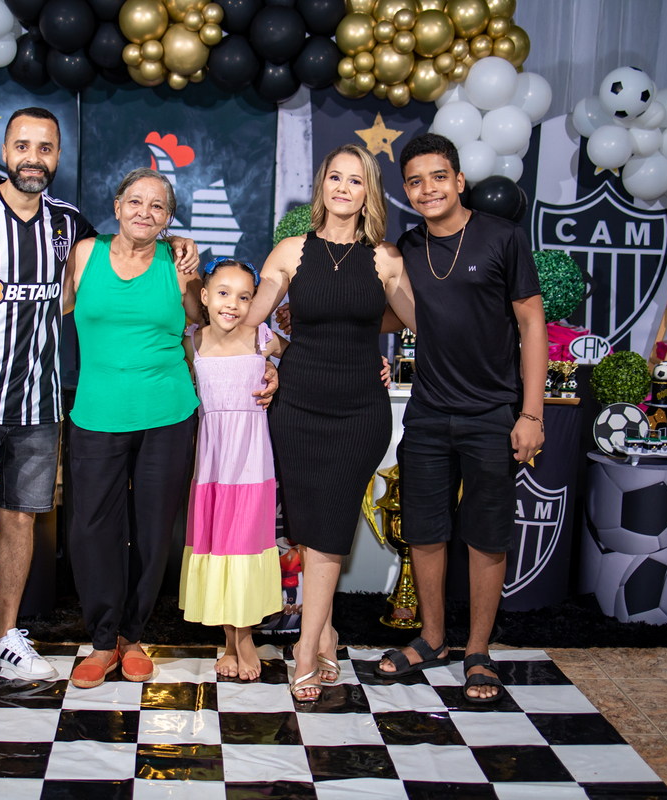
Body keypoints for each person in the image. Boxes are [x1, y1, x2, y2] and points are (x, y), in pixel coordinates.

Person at [0, 108, 198, 706]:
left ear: (58, 156)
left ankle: (6, 636)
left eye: (45, 147)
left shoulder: (69, 226)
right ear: (6, 150)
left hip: (40, 406)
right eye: (23, 145)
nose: (33, 157)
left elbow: (146, 261)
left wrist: (179, 245)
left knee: (22, 522)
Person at [62, 167, 278, 689]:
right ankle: (102, 641)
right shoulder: (85, 254)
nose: (145, 212)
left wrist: (271, 363)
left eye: (157, 206)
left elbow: (216, 329)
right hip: (96, 414)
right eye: (135, 202)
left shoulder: (179, 266)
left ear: (169, 219)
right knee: (91, 529)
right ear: (117, 206)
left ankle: (133, 636)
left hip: (168, 415)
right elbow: (48, 312)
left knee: (154, 530)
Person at [373, 132, 547, 705]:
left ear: (460, 180)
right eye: (415, 181)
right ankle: (432, 638)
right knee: (425, 530)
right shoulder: (408, 247)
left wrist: (531, 412)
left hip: (493, 412)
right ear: (406, 190)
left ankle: (477, 650)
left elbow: (532, 324)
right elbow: (394, 316)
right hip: (428, 412)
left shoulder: (502, 237)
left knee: (487, 535)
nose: (428, 189)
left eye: (438, 177)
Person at [245, 144, 417, 701]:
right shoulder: (291, 251)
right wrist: (263, 351)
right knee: (306, 526)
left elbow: (422, 319)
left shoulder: (386, 259)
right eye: (335, 177)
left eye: (356, 180)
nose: (343, 188)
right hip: (296, 409)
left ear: (369, 192)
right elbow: (252, 318)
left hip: (359, 414)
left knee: (329, 532)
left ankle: (305, 648)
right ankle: (327, 633)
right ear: (322, 185)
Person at [179, 258, 288, 681]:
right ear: (205, 296)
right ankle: (231, 641)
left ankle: (242, 639)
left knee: (244, 547)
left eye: (245, 297)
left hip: (252, 464)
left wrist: (275, 371)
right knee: (220, 547)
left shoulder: (262, 338)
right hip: (212, 466)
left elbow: (304, 359)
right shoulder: (193, 342)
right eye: (223, 293)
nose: (233, 304)